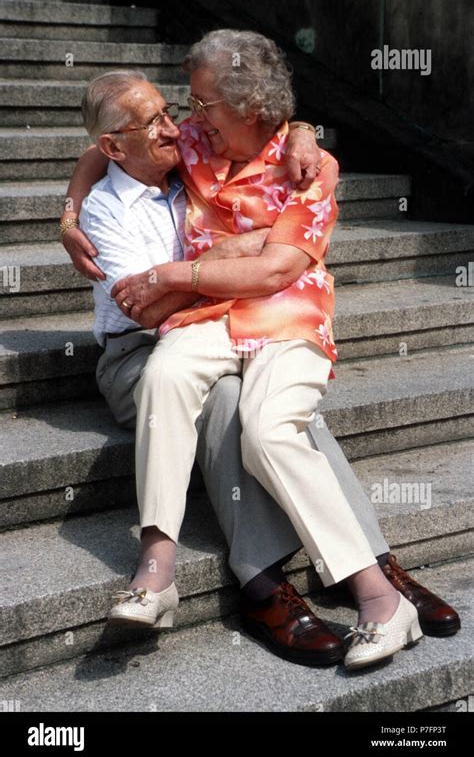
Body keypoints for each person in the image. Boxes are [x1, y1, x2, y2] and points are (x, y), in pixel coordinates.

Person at [61, 34, 460, 670]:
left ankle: (373, 577)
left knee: (276, 425)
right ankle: (254, 579)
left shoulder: (305, 167)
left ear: (247, 108)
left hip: (270, 317)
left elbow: (275, 271)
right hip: (176, 329)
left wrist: (186, 269)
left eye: (197, 105)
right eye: (178, 109)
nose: (184, 121)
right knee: (216, 394)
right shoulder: (185, 148)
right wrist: (71, 207)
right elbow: (105, 151)